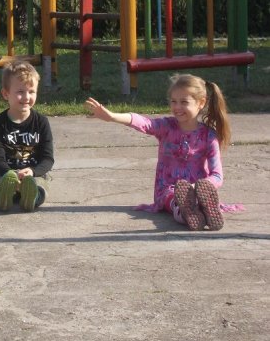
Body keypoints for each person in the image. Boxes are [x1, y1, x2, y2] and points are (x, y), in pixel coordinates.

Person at [84, 74, 242, 231]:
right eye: (173, 101)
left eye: (184, 102)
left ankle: (204, 210)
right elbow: (144, 122)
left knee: (196, 197)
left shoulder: (209, 135)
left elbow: (217, 176)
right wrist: (112, 116)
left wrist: (196, 188)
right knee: (173, 199)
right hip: (167, 189)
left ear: (201, 103)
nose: (177, 107)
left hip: (198, 190)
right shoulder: (166, 127)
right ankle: (186, 212)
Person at [0, 60, 54, 212]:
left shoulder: (41, 122)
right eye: (20, 92)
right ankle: (2, 197)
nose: (26, 97)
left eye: (31, 92)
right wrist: (10, 173)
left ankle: (32, 197)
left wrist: (33, 171)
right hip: (6, 173)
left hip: (33, 173)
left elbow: (48, 158)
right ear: (6, 94)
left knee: (40, 185)